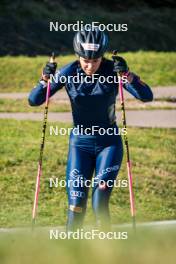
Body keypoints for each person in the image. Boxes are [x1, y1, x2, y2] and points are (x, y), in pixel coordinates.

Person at [28, 27, 153, 231]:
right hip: (80, 144)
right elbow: (34, 100)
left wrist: (128, 75)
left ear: (102, 56)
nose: (90, 65)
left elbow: (146, 96)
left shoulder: (113, 71)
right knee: (76, 205)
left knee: (99, 201)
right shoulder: (68, 72)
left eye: (95, 60)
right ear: (78, 56)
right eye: (85, 60)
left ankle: (105, 254)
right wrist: (44, 79)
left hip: (109, 144)